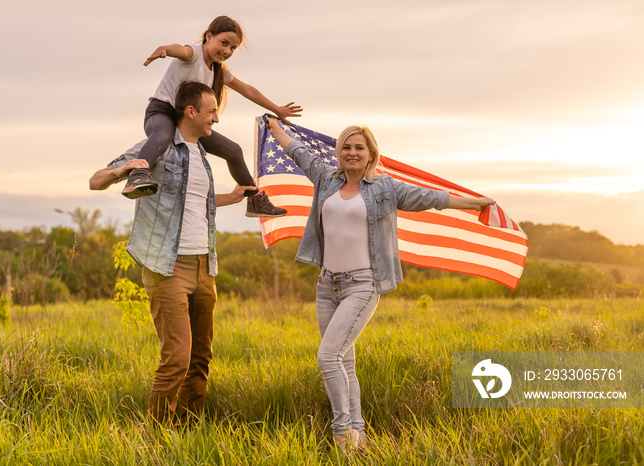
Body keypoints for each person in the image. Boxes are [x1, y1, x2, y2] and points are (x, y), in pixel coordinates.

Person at [265, 115, 495, 452]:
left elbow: (430, 197)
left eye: (359, 147)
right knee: (344, 362)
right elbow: (298, 152)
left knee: (328, 357)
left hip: (363, 285)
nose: (352, 152)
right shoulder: (325, 179)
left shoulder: (386, 189)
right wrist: (275, 129)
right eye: (346, 146)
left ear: (371, 154)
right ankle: (360, 437)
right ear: (339, 152)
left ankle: (342, 433)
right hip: (327, 286)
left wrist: (473, 202)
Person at [90, 82, 255, 426]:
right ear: (190, 112)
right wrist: (120, 171)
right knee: (177, 358)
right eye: (211, 111)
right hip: (167, 266)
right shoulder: (158, 148)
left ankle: (187, 427)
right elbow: (95, 180)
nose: (216, 119)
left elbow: (193, 202)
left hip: (204, 266)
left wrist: (233, 196)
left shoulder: (202, 156)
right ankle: (157, 434)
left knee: (200, 357)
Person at [123, 15, 301, 220]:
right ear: (208, 36)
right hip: (162, 112)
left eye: (232, 48)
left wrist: (277, 109)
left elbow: (247, 89)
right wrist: (164, 49)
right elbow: (179, 49)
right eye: (224, 43)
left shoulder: (218, 70)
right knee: (163, 134)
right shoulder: (193, 54)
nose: (227, 51)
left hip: (188, 123)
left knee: (233, 150)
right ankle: (137, 177)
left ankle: (254, 199)